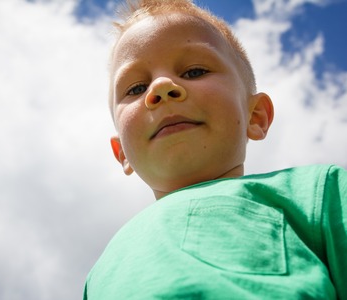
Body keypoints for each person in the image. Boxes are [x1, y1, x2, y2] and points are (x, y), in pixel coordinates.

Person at [83, 0, 347, 298]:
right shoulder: (97, 276)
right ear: (122, 154)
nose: (160, 88)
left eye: (194, 72)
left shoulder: (318, 192)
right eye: (135, 88)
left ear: (255, 116)